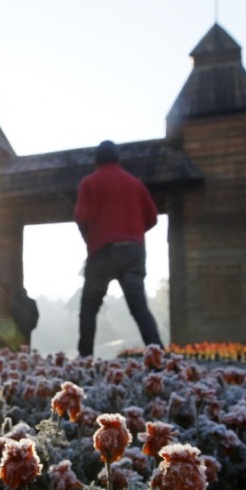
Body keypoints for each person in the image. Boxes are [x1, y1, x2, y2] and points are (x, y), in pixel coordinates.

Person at [73, 140, 164, 357]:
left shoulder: (89, 182)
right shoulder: (135, 183)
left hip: (102, 252)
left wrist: (91, 239)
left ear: (97, 160)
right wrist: (133, 234)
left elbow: (81, 217)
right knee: (139, 308)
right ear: (117, 158)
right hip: (133, 253)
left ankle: (84, 360)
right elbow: (152, 217)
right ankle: (159, 357)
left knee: (89, 308)